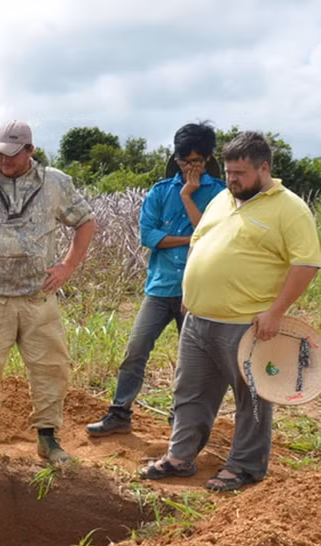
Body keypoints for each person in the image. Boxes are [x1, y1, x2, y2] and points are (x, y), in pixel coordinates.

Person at [139, 131, 321, 490]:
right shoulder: (223, 199)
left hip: (246, 324)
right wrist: (191, 291)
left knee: (251, 398)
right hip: (199, 319)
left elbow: (306, 264)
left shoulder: (290, 209)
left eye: (240, 173)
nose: (232, 180)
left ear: (264, 167)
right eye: (229, 172)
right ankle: (180, 456)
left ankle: (245, 465)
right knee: (189, 391)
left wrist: (275, 313)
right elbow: (199, 239)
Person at [0, 120, 96, 469]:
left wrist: (68, 266)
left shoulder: (56, 183)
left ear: (30, 151)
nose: (4, 161)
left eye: (12, 154)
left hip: (39, 298)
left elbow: (86, 221)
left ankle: (47, 438)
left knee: (50, 369)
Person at [87, 123, 226, 436]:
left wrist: (189, 197)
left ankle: (181, 422)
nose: (190, 168)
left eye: (197, 162)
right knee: (136, 348)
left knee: (191, 362)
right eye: (184, 161)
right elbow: (148, 236)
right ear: (176, 159)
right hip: (160, 288)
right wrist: (188, 239)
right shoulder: (160, 191)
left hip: (198, 291)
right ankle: (119, 413)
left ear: (207, 159)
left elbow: (212, 235)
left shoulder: (219, 193)